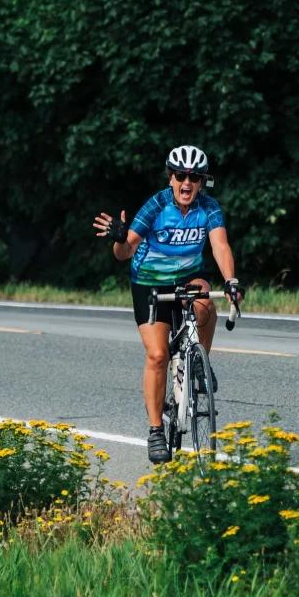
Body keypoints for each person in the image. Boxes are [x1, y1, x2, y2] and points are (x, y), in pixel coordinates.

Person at [93, 145, 243, 464]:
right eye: (180, 176)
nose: (187, 183)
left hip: (189, 275)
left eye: (195, 177)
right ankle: (155, 430)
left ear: (203, 181)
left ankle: (200, 363)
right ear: (170, 177)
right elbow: (125, 252)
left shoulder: (209, 208)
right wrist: (120, 239)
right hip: (149, 281)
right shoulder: (156, 205)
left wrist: (231, 280)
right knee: (158, 355)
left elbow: (220, 245)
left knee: (205, 305)